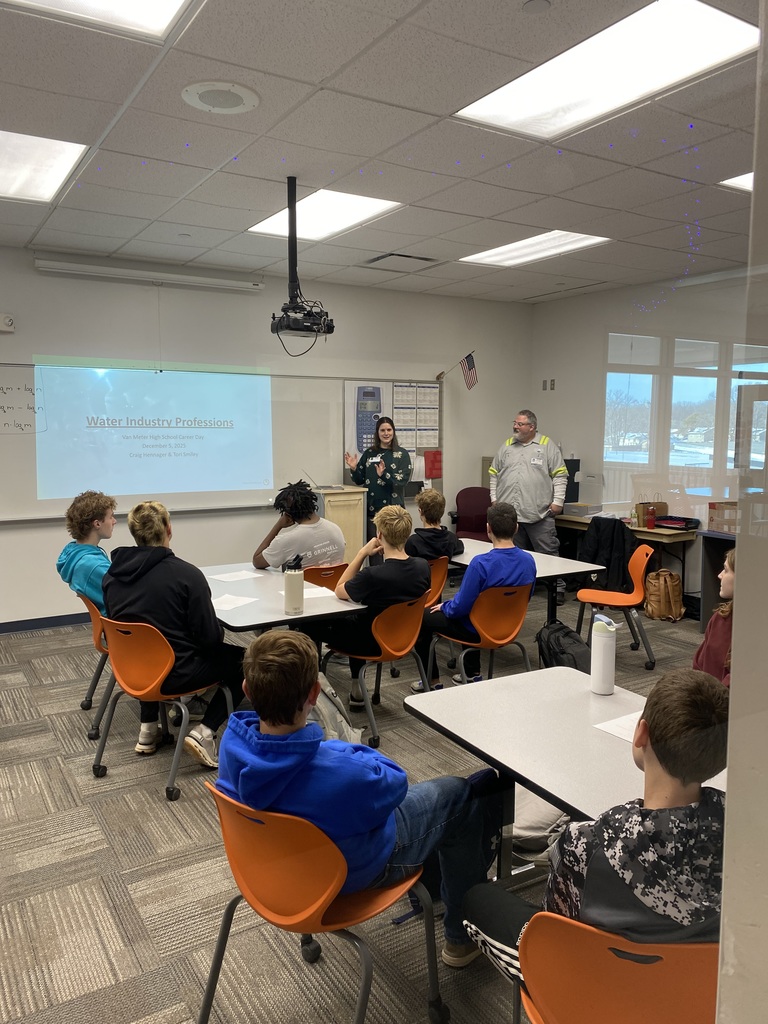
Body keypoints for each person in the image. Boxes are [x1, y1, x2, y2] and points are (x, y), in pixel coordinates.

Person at [217, 629, 490, 967]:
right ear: (315, 693)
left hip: (269, 872)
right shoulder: (340, 770)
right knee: (458, 794)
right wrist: (335, 747)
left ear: (246, 689)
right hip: (351, 873)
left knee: (434, 800)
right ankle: (461, 941)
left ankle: (434, 895)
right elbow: (395, 783)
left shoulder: (230, 745)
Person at [462, 668, 728, 985]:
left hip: (593, 989)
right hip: (700, 991)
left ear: (641, 734)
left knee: (476, 898)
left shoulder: (586, 842)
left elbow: (555, 926)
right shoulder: (746, 829)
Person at [102, 500, 244, 765]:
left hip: (132, 671)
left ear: (134, 533)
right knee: (246, 660)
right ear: (168, 529)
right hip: (177, 675)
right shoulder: (187, 575)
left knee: (150, 645)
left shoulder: (111, 577)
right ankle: (205, 732)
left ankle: (148, 728)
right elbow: (210, 641)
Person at [299, 504, 429, 710]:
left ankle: (309, 689)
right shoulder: (423, 567)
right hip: (404, 638)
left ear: (379, 534)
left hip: (370, 642)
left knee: (305, 625)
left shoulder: (373, 575)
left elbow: (340, 590)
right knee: (359, 620)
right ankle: (355, 689)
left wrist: (361, 553)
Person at [412, 503, 535, 690]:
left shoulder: (480, 564)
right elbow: (527, 596)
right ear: (516, 527)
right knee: (473, 608)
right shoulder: (529, 561)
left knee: (423, 617)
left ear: (488, 528)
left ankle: (432, 680)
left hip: (478, 628)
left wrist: (445, 606)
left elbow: (460, 607)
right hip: (510, 627)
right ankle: (471, 673)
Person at [489, 410, 568, 603]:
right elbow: (493, 472)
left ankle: (557, 589)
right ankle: (518, 588)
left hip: (538, 513)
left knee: (548, 552)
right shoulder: (507, 445)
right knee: (514, 555)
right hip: (510, 514)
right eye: (514, 423)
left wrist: (558, 502)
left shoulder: (547, 445)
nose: (515, 426)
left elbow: (560, 475)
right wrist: (494, 498)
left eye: (520, 424)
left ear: (531, 427)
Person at [345, 416, 411, 563]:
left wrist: (384, 475)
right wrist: (354, 468)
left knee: (395, 553)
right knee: (375, 553)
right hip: (372, 513)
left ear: (393, 432)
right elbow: (360, 480)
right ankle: (377, 582)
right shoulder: (369, 453)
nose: (386, 433)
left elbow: (402, 481)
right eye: (382, 430)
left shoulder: (402, 454)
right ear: (377, 433)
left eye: (389, 430)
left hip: (394, 513)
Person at [252, 479, 345, 570]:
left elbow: (257, 561)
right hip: (332, 585)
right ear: (312, 502)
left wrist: (278, 525)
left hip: (302, 585)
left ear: (288, 515)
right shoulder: (335, 529)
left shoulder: (286, 540)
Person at [56, 490, 117, 614]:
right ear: (97, 523)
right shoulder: (94, 565)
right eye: (110, 517)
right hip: (120, 623)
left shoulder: (73, 551)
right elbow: (123, 596)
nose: (114, 521)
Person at [693, 548, 734, 687]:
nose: (720, 575)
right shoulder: (720, 618)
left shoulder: (757, 629)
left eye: (726, 570)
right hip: (709, 699)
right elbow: (698, 666)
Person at [405, 487, 464, 561]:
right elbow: (461, 547)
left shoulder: (412, 542)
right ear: (442, 512)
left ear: (420, 511)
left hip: (422, 573)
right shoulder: (451, 538)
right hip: (443, 572)